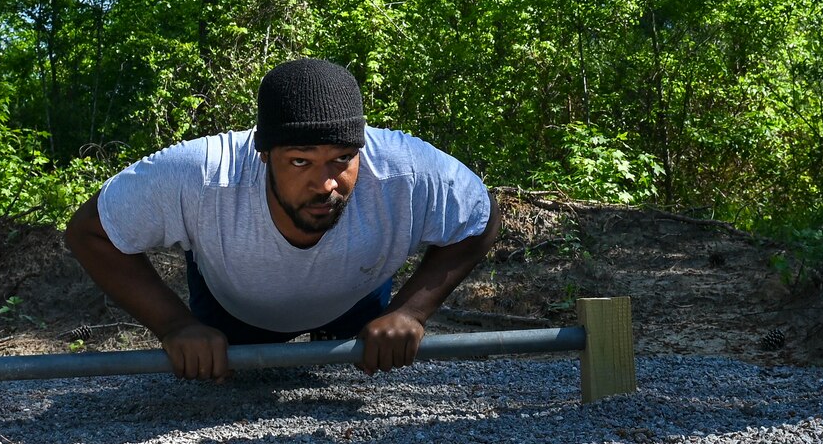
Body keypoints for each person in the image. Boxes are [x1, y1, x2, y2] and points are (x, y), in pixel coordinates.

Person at [65, 57, 499, 379]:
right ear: (263, 153)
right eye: (299, 162)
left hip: (356, 303)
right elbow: (90, 233)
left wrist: (412, 311)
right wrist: (175, 326)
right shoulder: (201, 175)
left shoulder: (405, 171)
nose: (326, 183)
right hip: (234, 313)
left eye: (342, 159)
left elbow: (480, 217)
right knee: (229, 383)